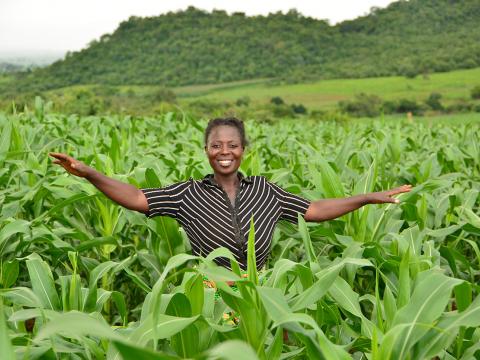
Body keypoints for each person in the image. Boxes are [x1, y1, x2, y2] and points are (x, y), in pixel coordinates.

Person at [49, 117, 412, 270]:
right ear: (207, 150)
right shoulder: (187, 194)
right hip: (214, 288)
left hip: (260, 282)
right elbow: (137, 198)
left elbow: (315, 208)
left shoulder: (265, 191)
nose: (225, 151)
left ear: (243, 150)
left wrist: (366, 197)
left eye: (232, 145)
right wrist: (89, 173)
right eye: (217, 145)